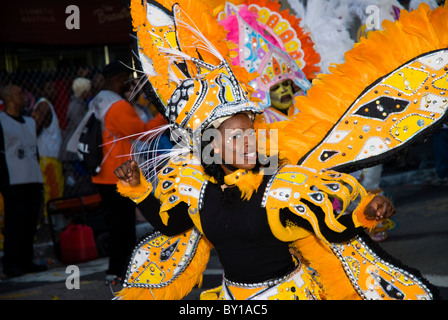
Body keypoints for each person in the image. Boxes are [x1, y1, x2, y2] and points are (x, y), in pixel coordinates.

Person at [110, 0, 444, 300]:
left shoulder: (280, 186)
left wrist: (366, 214)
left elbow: (331, 227)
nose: (250, 142)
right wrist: (138, 188)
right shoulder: (200, 193)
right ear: (210, 147)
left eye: (250, 133)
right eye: (236, 138)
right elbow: (172, 224)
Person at [89, 60, 167, 283]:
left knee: (117, 223)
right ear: (117, 79)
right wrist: (164, 113)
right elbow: (142, 133)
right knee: (122, 226)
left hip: (104, 172)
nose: (130, 83)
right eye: (126, 78)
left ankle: (117, 269)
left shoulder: (99, 100)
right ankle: (121, 270)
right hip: (118, 173)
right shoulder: (117, 105)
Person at [0, 84, 47, 277]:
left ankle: (26, 260)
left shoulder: (29, 121)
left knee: (30, 222)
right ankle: (11, 263)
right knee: (14, 222)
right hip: (13, 179)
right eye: (20, 94)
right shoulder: (1, 121)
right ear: (9, 97)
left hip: (32, 177)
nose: (25, 97)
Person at [31, 78, 64, 219]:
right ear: (42, 91)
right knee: (53, 190)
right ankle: (50, 220)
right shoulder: (44, 105)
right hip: (47, 157)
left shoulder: (47, 105)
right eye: (49, 88)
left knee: (55, 189)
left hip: (51, 156)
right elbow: (34, 127)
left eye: (53, 88)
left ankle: (52, 219)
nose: (53, 91)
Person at [59, 77, 94, 196]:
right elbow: (81, 125)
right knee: (77, 178)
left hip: (75, 146)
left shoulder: (78, 104)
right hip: (73, 149)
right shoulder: (76, 106)